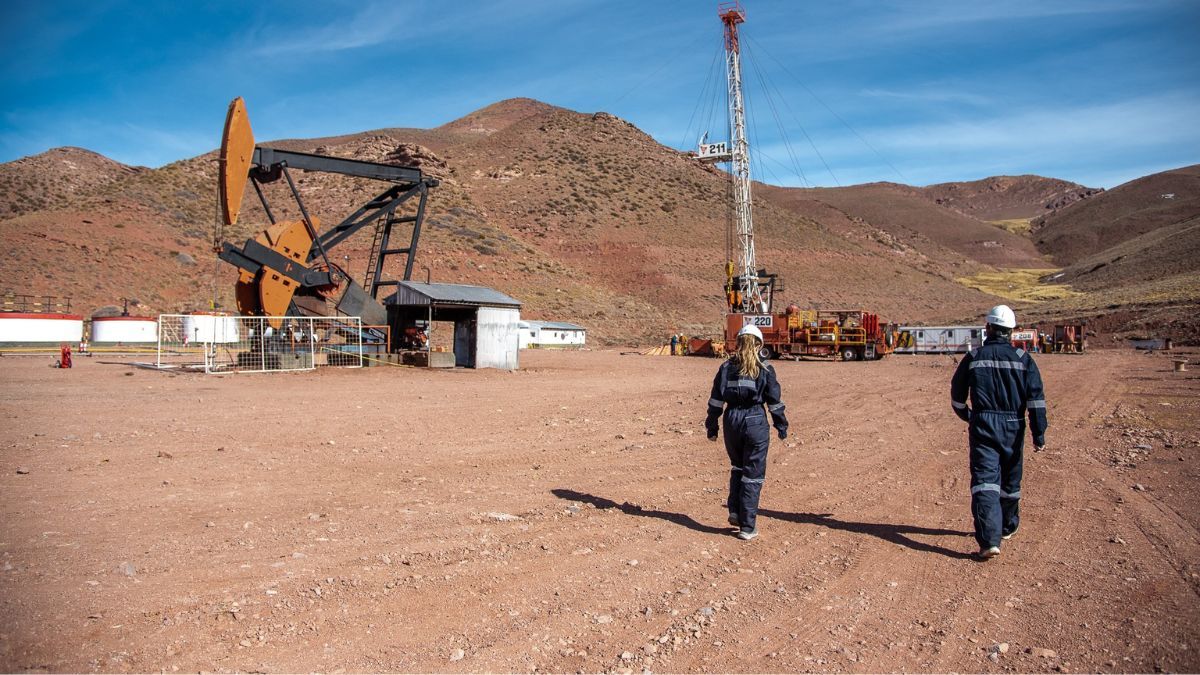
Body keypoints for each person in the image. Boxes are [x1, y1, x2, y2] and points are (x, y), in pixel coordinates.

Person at [950, 305, 1048, 560]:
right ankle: (1007, 527)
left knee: (985, 482)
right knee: (1010, 481)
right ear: (1011, 331)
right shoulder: (1023, 359)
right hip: (1014, 425)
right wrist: (1039, 433)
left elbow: (957, 396)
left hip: (983, 424)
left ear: (988, 328)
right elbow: (1036, 400)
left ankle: (989, 540)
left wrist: (969, 416)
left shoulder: (974, 358)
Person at [705, 324, 789, 541]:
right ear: (759, 344)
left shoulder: (726, 367)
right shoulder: (765, 368)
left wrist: (711, 427)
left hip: (731, 422)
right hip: (754, 421)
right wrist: (781, 425)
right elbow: (775, 402)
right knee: (752, 474)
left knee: (737, 467)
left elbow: (716, 401)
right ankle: (747, 527)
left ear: (738, 343)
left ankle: (735, 511)